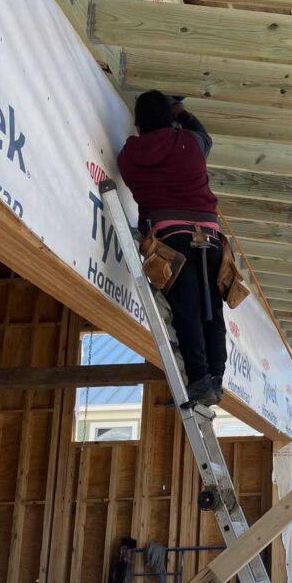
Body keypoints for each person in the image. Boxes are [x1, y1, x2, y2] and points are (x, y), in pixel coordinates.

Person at [118, 90, 225, 406]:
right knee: (212, 309)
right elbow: (205, 138)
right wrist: (181, 114)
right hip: (209, 235)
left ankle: (201, 380)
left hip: (168, 239)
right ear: (170, 119)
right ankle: (215, 379)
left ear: (138, 125)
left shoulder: (129, 156)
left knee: (186, 311)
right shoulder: (190, 144)